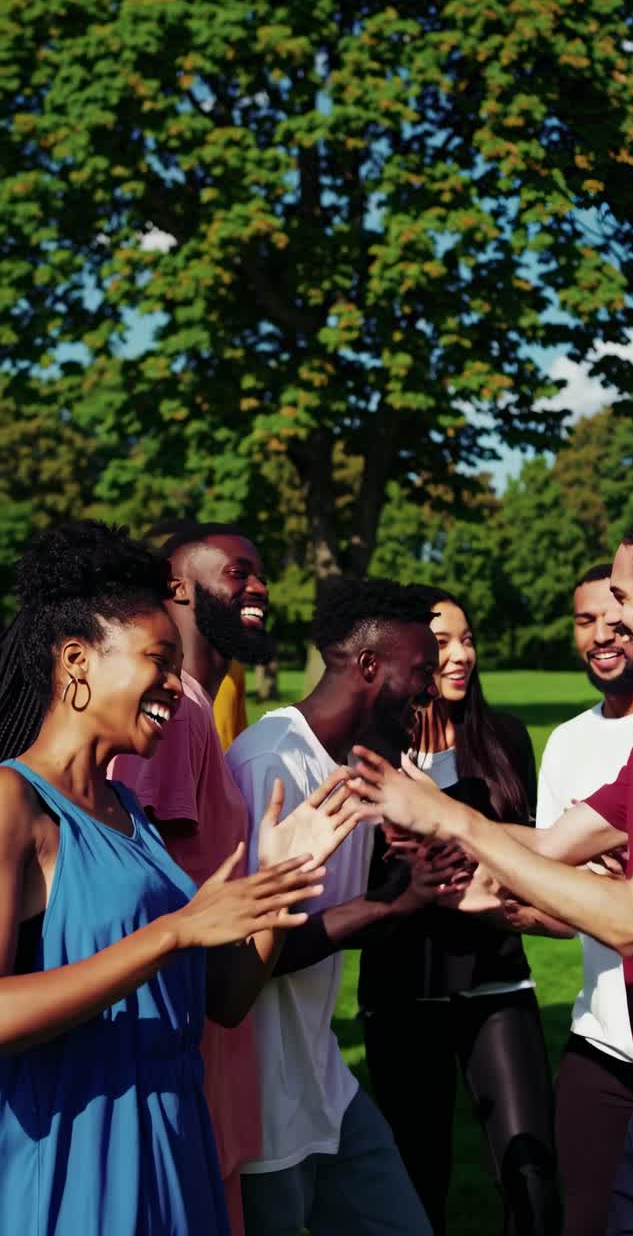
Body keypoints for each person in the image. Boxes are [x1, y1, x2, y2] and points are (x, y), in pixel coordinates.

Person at [350, 497, 633, 1235]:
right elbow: (547, 843)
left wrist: (453, 821)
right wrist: (434, 818)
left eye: (623, 596)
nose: (608, 620)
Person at [0, 520, 329, 1235]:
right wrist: (173, 932)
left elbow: (225, 1001)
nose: (177, 686)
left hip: (177, 1139)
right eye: (159, 660)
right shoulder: (14, 802)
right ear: (77, 662)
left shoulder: (128, 810)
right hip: (75, 1154)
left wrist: (280, 879)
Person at [112, 523, 370, 1233]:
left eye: (259, 574)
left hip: (214, 1049)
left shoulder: (203, 701)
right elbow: (136, 885)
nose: (257, 587)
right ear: (176, 585)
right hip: (182, 1049)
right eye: (236, 572)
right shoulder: (178, 712)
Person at [227, 578, 444, 1236]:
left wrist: (417, 871)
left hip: (323, 1082)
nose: (431, 692)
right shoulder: (269, 765)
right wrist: (389, 907)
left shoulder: (358, 764)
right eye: (420, 673)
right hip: (263, 1101)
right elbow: (247, 954)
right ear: (370, 667)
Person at [359, 585, 561, 1236]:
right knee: (418, 1183)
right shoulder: (371, 756)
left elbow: (533, 862)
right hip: (402, 991)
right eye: (442, 642)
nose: (460, 656)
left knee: (532, 1178)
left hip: (497, 977)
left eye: (468, 639)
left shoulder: (503, 738)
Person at [534, 563, 633, 1236]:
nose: (600, 636)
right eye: (585, 622)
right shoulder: (565, 742)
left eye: (615, 620)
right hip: (601, 1044)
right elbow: (547, 896)